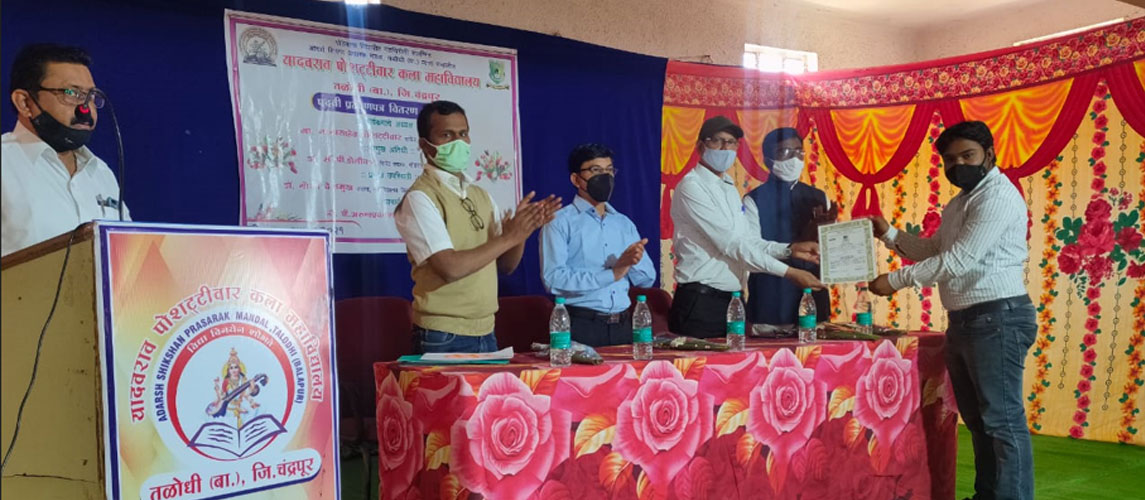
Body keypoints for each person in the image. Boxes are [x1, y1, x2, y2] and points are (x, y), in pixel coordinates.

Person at [868, 121, 1035, 500]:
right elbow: (934, 250)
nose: (958, 165)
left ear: (989, 154)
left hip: (998, 318)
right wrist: (889, 234)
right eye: (950, 160)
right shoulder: (961, 202)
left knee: (1002, 422)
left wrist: (894, 281)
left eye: (967, 156)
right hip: (967, 320)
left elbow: (959, 261)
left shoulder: (998, 197)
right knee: (978, 421)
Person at [395, 100, 560, 354]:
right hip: (442, 336)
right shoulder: (420, 198)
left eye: (463, 134)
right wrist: (509, 237)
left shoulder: (481, 195)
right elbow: (450, 268)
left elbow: (505, 266)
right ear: (425, 145)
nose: (458, 142)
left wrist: (523, 231)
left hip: (486, 330)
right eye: (446, 135)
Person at [669, 115, 824, 338]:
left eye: (731, 142)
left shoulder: (728, 187)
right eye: (717, 141)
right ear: (701, 146)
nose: (725, 148)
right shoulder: (691, 187)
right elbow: (732, 245)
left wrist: (790, 250)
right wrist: (790, 272)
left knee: (738, 361)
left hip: (733, 300)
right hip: (700, 303)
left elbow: (748, 242)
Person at [2, 43, 129, 256]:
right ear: (24, 102)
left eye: (90, 96)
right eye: (71, 93)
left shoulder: (100, 172)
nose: (85, 109)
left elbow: (127, 252)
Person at [540, 143, 655, 347]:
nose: (605, 177)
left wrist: (631, 262)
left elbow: (647, 280)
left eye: (609, 170)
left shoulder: (623, 223)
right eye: (595, 170)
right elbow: (553, 279)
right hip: (582, 324)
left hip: (623, 325)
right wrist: (612, 273)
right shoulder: (559, 221)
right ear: (576, 179)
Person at [744, 127, 836, 334]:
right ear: (768, 161)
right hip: (771, 301)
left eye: (798, 152)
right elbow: (751, 248)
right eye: (785, 152)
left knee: (815, 353)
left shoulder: (819, 196)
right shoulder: (753, 199)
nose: (794, 159)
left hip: (814, 297)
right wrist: (791, 249)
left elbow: (830, 247)